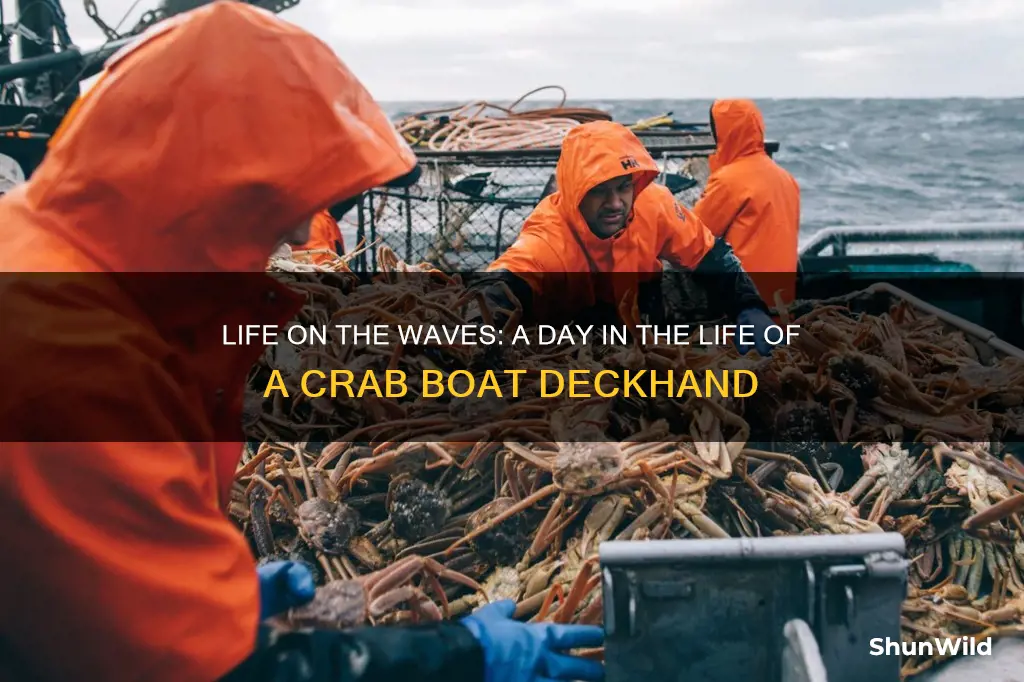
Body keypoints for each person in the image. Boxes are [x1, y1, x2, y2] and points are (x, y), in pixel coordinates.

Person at [0, 4, 602, 682]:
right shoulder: (74, 361)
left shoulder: (38, 257)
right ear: (208, 183)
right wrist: (462, 658)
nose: (297, 234)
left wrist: (192, 592)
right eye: (281, 199)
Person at [480, 120, 776, 356]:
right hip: (567, 341)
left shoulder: (654, 204)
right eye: (598, 190)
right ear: (575, 192)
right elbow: (498, 286)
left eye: (623, 187)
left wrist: (748, 305)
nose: (615, 203)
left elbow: (710, 254)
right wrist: (478, 335)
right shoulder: (548, 240)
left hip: (642, 325)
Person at [693, 99, 800, 307]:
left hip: (743, 307)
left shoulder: (728, 180)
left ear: (722, 133)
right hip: (782, 304)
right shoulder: (786, 178)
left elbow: (694, 235)